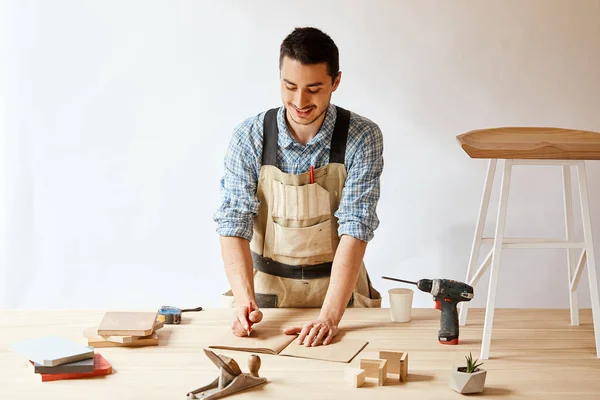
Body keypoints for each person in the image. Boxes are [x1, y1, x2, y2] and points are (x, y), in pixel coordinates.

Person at [213, 26, 384, 348]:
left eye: (314, 89)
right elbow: (233, 221)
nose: (300, 101)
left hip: (340, 297)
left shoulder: (362, 137)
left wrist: (329, 318)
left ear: (336, 82)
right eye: (289, 86)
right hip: (265, 291)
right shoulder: (248, 136)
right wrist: (244, 301)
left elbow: (357, 224)